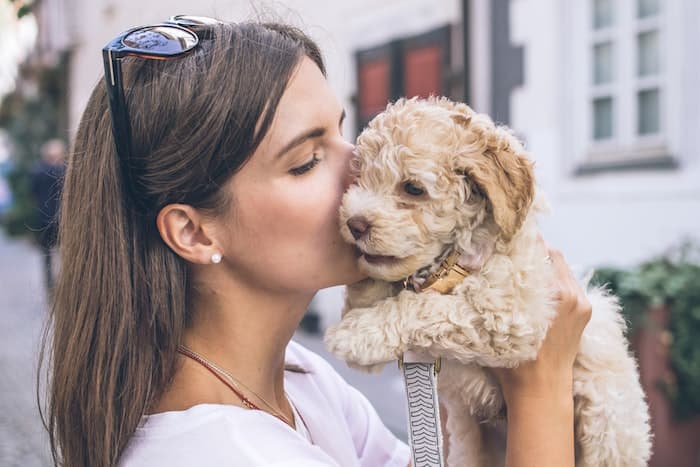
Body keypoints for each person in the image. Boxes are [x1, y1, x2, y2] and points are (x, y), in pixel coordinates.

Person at [42, 19, 592, 467]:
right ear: (194, 231)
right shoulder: (220, 453)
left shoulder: (301, 379)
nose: (361, 168)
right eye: (306, 160)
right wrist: (541, 384)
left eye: (344, 130)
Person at [30, 138, 66, 293]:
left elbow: (33, 193)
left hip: (43, 217)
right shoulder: (63, 171)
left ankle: (50, 285)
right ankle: (63, 283)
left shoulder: (37, 171)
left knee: (47, 255)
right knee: (65, 253)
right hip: (62, 218)